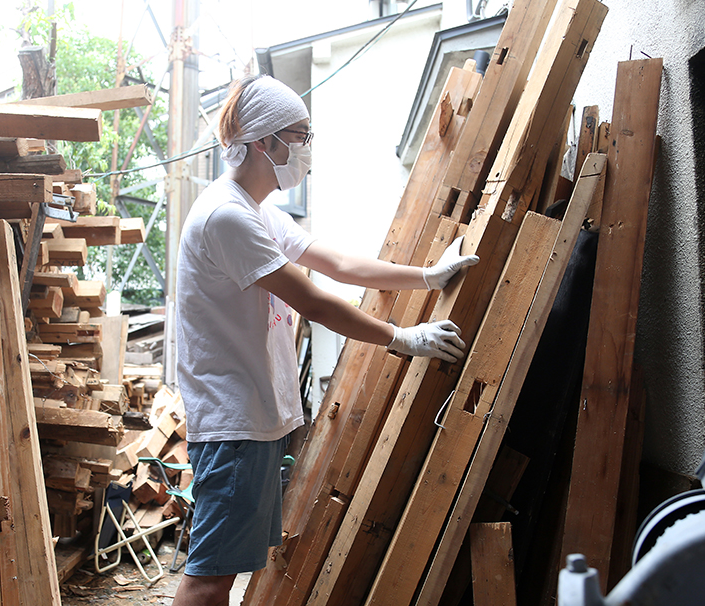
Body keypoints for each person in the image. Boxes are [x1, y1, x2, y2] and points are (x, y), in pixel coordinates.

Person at [172, 74, 479, 606]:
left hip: (253, 419)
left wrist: (428, 275)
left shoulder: (257, 211)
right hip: (234, 423)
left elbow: (337, 263)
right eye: (301, 134)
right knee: (209, 579)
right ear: (266, 142)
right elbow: (311, 300)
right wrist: (400, 338)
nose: (307, 147)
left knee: (223, 572)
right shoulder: (226, 216)